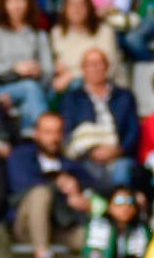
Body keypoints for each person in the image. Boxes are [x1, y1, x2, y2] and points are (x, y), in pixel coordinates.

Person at [7, 112, 94, 258]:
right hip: (26, 225)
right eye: (48, 132)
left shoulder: (70, 164)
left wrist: (82, 199)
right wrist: (60, 186)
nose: (53, 138)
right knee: (41, 193)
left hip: (60, 227)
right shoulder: (20, 157)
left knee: (92, 239)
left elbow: (96, 187)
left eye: (57, 132)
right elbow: (23, 186)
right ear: (36, 134)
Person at [59, 50, 140, 194]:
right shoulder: (72, 99)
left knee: (122, 169)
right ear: (83, 69)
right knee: (83, 172)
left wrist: (118, 150)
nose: (95, 68)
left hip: (118, 155)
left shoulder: (124, 96)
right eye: (90, 64)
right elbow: (68, 131)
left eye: (99, 64)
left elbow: (133, 131)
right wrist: (91, 151)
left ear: (107, 67)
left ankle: (117, 210)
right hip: (86, 156)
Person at [0, 0, 53, 132]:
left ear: (28, 3)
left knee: (31, 94)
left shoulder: (38, 34)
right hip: (2, 87)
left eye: (20, 0)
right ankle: (46, 132)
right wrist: (15, 68)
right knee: (30, 88)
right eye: (11, 0)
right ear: (4, 4)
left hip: (35, 86)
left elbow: (49, 72)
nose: (16, 5)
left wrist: (36, 69)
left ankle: (30, 135)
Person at [79, 187, 150, 258]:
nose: (125, 207)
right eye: (119, 202)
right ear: (109, 206)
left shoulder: (144, 231)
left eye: (130, 202)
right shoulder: (94, 227)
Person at [50, 0, 121, 95]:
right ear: (65, 9)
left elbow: (110, 68)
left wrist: (71, 74)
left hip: (101, 83)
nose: (76, 9)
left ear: (89, 8)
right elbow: (57, 65)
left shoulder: (105, 32)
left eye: (81, 5)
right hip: (65, 83)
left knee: (77, 85)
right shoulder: (57, 33)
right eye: (72, 5)